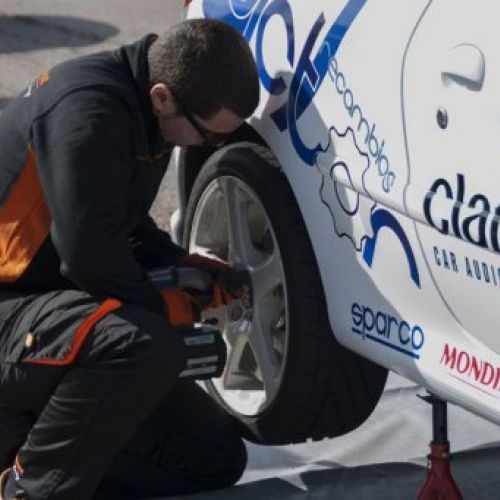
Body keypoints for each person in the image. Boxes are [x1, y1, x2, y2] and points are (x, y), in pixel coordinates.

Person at [0, 18, 260, 500]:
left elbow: (118, 221)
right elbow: (89, 255)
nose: (208, 147)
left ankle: (43, 444)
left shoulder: (146, 104)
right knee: (141, 344)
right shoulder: (86, 113)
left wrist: (182, 262)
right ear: (163, 96)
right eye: (207, 135)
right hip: (9, 315)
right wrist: (167, 308)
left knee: (212, 457)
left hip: (43, 311)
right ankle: (25, 489)